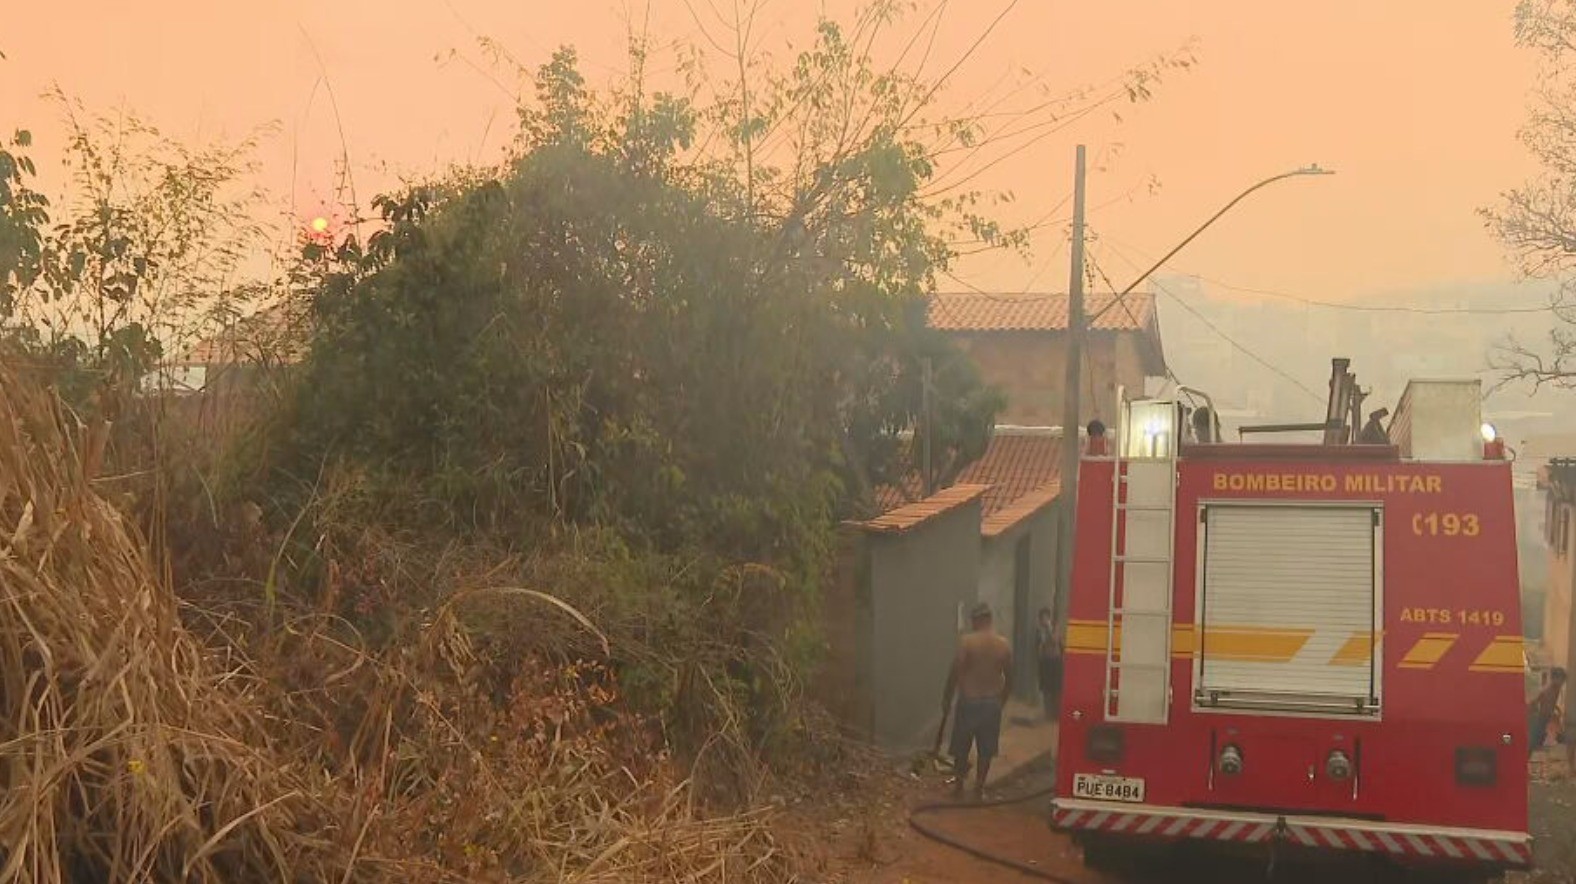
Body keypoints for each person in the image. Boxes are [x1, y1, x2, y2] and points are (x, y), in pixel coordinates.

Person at [943, 602, 1013, 800]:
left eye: (973, 620)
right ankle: (979, 789)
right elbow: (1010, 678)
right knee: (986, 749)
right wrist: (1001, 701)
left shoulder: (968, 642)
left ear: (979, 620)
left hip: (969, 700)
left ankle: (958, 787)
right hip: (992, 703)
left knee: (961, 746)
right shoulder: (1003, 644)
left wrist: (947, 696)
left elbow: (956, 670)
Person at [1530, 667, 1567, 758]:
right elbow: (1539, 701)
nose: (1562, 683)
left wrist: (1557, 709)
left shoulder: (1557, 689)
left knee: (1542, 729)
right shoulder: (1548, 690)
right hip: (1542, 714)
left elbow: (1552, 703)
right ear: (1554, 679)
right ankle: (1536, 745)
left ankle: (1539, 743)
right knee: (1539, 729)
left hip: (1547, 714)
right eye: (1560, 680)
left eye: (1563, 680)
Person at [1035, 608, 1061, 721]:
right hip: (1044, 661)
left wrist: (1049, 628)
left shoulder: (1055, 627)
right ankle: (1047, 714)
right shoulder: (1039, 630)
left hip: (1055, 660)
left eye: (1045, 618)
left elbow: (1055, 640)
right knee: (1045, 688)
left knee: (1056, 688)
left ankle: (1056, 714)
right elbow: (1039, 646)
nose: (1043, 621)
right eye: (1042, 618)